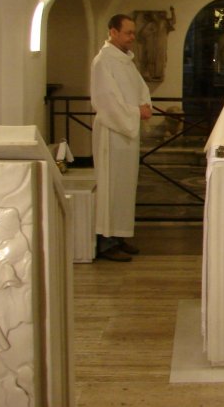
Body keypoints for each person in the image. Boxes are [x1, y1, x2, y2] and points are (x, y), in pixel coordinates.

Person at [90, 14, 152, 262]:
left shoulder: (125, 61)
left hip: (127, 132)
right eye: (128, 32)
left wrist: (144, 104)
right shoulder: (103, 61)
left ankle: (119, 236)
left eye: (133, 33)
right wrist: (136, 111)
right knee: (111, 185)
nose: (132, 37)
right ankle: (105, 242)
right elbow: (106, 100)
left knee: (124, 186)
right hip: (112, 132)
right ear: (113, 32)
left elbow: (140, 88)